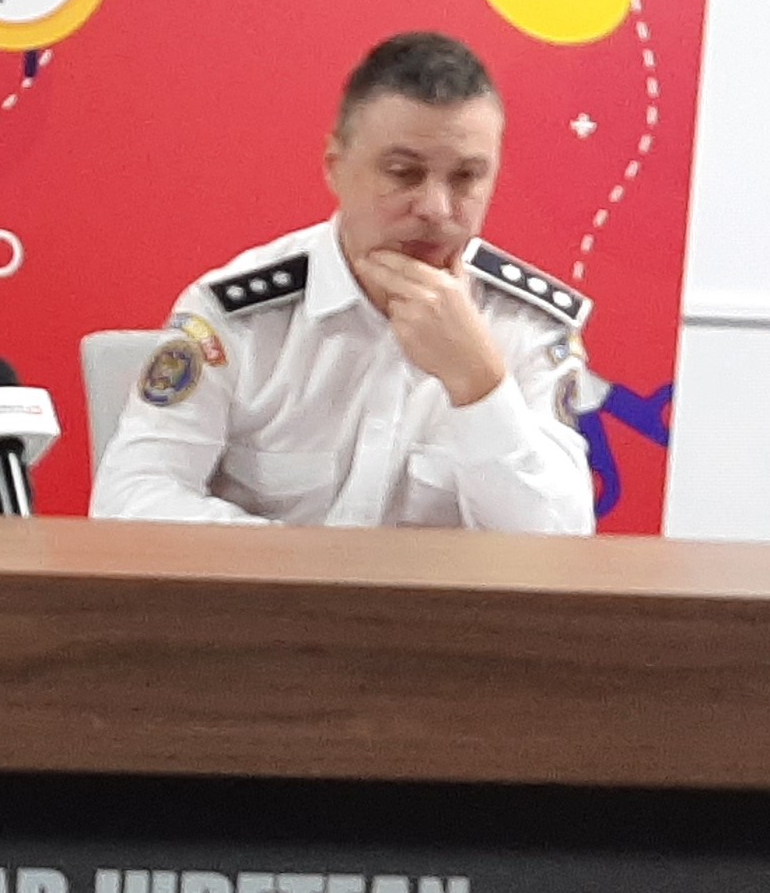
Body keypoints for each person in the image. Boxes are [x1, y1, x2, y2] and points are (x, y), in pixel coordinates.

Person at [90, 32, 595, 534]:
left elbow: (561, 545)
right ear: (335, 168)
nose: (436, 209)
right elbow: (129, 497)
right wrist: (302, 566)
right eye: (404, 173)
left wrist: (479, 384)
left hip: (449, 596)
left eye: (466, 177)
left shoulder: (528, 324)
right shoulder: (236, 313)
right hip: (269, 588)